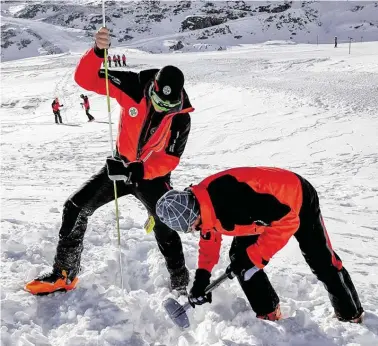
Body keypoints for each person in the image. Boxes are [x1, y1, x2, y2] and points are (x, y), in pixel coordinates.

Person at [24, 27, 194, 296]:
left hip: (152, 177)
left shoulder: (182, 116)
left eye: (168, 105)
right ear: (153, 89)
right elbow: (85, 78)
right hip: (117, 168)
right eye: (158, 101)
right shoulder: (133, 85)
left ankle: (180, 282)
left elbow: (170, 158)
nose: (162, 108)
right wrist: (97, 52)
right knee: (75, 207)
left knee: (165, 222)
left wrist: (143, 170)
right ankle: (63, 274)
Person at [155, 167, 364, 323]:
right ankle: (269, 311)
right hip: (257, 216)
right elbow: (210, 236)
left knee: (322, 262)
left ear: (195, 213)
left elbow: (289, 221)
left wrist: (255, 255)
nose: (195, 230)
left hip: (295, 199)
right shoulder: (200, 202)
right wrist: (201, 279)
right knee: (240, 261)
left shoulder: (236, 200)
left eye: (194, 226)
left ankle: (351, 314)